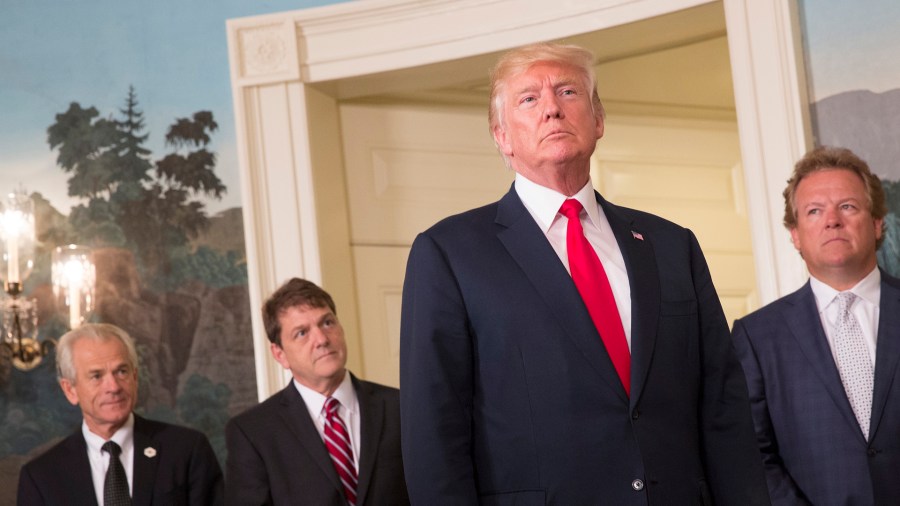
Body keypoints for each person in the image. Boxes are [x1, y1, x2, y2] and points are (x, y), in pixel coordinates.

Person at [399, 42, 769, 505]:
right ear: (502, 136)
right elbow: (433, 436)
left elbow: (723, 409)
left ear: (598, 120)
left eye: (568, 91)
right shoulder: (449, 254)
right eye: (529, 99)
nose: (552, 108)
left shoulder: (673, 246)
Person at [732, 146, 900, 505]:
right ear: (795, 234)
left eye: (848, 206)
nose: (832, 220)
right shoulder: (758, 338)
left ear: (876, 223)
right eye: (814, 211)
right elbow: (753, 456)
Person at [225, 277, 409, 506]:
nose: (322, 339)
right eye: (301, 333)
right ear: (279, 354)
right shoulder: (253, 433)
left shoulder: (401, 408)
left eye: (327, 323)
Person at [17, 323, 224, 505]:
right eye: (96, 376)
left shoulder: (187, 450)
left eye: (121, 372)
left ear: (135, 377)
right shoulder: (41, 477)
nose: (113, 386)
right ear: (70, 390)